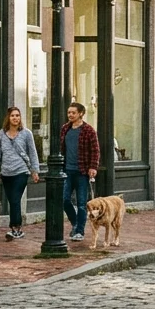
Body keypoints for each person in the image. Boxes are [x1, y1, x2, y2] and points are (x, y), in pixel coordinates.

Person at [0, 107, 41, 241]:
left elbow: (32, 152)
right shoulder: (1, 134)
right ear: (8, 118)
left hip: (21, 172)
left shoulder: (26, 134)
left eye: (17, 115)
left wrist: (35, 171)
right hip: (6, 173)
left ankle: (16, 228)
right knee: (12, 201)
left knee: (15, 200)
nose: (15, 118)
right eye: (12, 116)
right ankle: (16, 228)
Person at [58, 102, 99, 242]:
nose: (70, 115)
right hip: (67, 171)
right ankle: (76, 224)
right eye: (69, 112)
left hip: (82, 171)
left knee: (82, 203)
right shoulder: (65, 129)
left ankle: (79, 231)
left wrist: (93, 167)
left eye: (73, 113)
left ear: (81, 113)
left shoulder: (88, 130)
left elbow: (95, 150)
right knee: (64, 200)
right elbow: (61, 149)